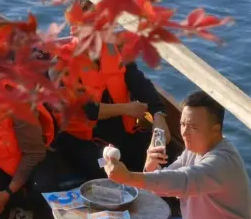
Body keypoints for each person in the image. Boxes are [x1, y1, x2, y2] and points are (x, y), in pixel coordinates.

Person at [101, 90, 251, 219]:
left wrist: (128, 177)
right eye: (182, 124)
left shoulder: (222, 162)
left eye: (193, 127)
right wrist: (150, 165)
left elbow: (182, 180)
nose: (185, 133)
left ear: (215, 130)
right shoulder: (194, 149)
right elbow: (162, 185)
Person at [53, 38, 169, 180]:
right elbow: (86, 110)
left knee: (161, 157)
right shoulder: (62, 62)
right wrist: (127, 109)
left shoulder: (117, 51)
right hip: (82, 140)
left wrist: (159, 115)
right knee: (105, 170)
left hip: (122, 134)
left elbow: (141, 85)